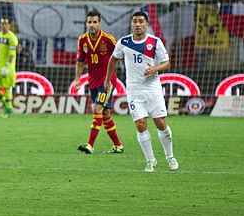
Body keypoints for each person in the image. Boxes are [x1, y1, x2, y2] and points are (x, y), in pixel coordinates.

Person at [105, 12, 177, 172]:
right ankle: (150, 160)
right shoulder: (124, 42)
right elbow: (113, 59)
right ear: (132, 24)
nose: (137, 24)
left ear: (146, 25)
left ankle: (170, 155)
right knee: (140, 124)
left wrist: (155, 68)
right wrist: (108, 79)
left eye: (141, 22)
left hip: (152, 89)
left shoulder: (154, 42)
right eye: (135, 21)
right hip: (134, 90)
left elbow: (167, 63)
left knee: (160, 122)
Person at [74, 10, 124, 154]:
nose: (92, 25)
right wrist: (77, 79)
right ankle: (118, 146)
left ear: (100, 24)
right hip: (93, 82)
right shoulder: (82, 40)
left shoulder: (108, 39)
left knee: (97, 108)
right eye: (89, 22)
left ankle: (90, 145)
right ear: (86, 24)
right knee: (105, 113)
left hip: (107, 82)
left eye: (95, 22)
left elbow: (120, 56)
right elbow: (80, 61)